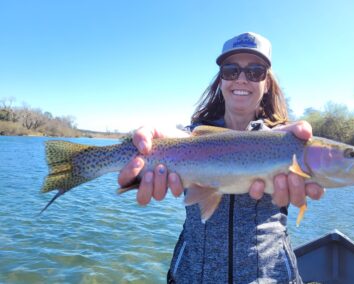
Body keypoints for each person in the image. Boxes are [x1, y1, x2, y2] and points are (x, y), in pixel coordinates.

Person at [118, 32, 324, 283]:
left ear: (267, 83)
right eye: (231, 70)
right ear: (220, 80)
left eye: (255, 71)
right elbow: (172, 141)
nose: (241, 79)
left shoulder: (287, 142)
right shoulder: (190, 138)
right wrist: (143, 151)